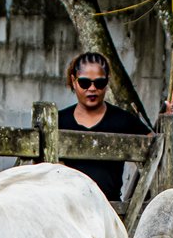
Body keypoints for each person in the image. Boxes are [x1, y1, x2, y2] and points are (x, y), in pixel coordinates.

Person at [58, 52, 151, 203]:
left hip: (110, 210)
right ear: (74, 81)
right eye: (85, 83)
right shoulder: (58, 121)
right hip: (68, 208)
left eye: (99, 83)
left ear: (107, 82)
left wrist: (167, 115)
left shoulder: (123, 119)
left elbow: (154, 146)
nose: (92, 88)